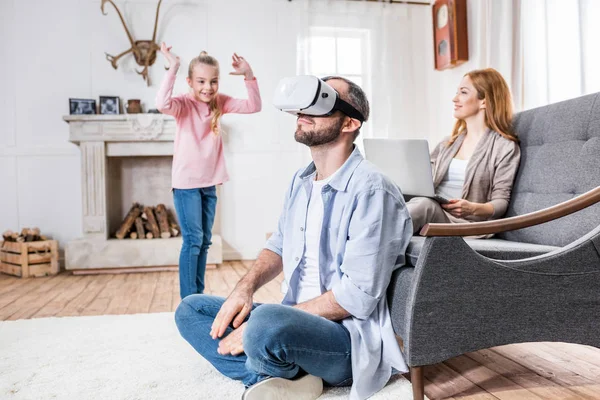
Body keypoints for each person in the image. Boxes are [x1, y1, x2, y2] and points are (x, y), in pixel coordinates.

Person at [174, 76, 413, 400]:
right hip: (293, 321)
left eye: (321, 102)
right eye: (304, 103)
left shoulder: (371, 189)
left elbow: (357, 297)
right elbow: (279, 244)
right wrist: (244, 290)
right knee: (192, 309)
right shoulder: (300, 181)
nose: (304, 110)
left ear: (350, 123)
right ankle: (283, 375)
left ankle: (269, 366)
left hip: (345, 340)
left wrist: (266, 322)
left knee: (263, 325)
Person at [156, 43, 262, 299]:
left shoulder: (220, 102)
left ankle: (198, 296)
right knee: (193, 240)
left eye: (213, 81)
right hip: (186, 185)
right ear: (190, 82)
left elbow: (253, 106)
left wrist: (249, 75)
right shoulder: (182, 104)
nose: (208, 87)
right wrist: (173, 67)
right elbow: (161, 103)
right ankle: (188, 301)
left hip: (209, 184)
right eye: (201, 81)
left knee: (204, 241)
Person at [408, 68, 521, 235]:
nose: (455, 99)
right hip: (432, 210)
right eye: (457, 92)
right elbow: (423, 181)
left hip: (466, 223)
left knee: (424, 206)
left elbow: (501, 201)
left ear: (484, 101)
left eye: (463, 92)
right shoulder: (447, 143)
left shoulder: (504, 147)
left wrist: (473, 208)